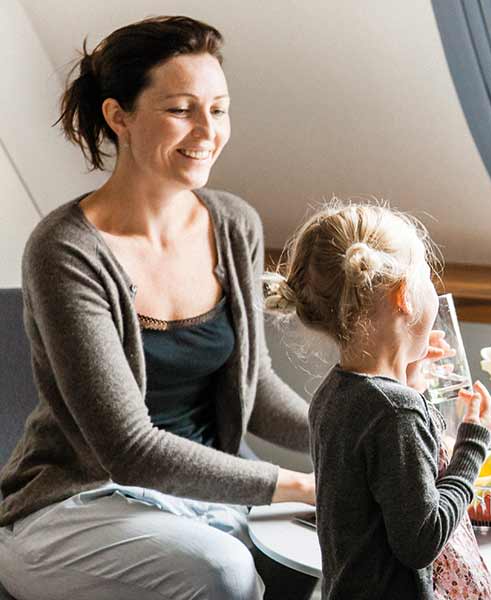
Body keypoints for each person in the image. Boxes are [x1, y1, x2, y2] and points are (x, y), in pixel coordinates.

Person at [0, 16, 321, 600]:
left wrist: (362, 430)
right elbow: (130, 448)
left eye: (218, 109)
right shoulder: (66, 250)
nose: (207, 131)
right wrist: (300, 484)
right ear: (118, 116)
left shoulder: (233, 224)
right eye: (180, 109)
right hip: (80, 502)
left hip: (203, 491)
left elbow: (257, 392)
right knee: (221, 569)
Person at [263, 203, 491, 600]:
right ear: (404, 295)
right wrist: (472, 448)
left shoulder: (335, 393)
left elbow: (384, 487)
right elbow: (422, 540)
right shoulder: (397, 413)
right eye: (427, 278)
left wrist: (412, 380)